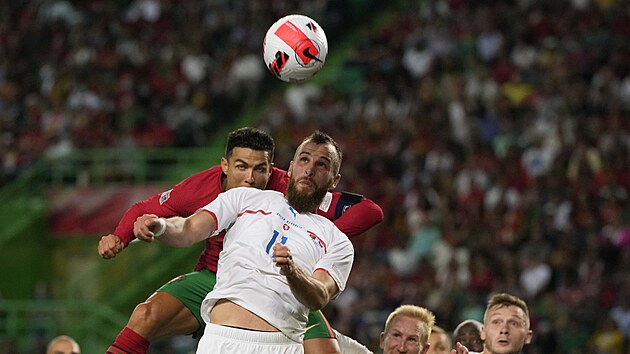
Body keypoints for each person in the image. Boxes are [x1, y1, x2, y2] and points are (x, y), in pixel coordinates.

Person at [100, 127, 384, 353]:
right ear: (224, 165)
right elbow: (184, 228)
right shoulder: (225, 194)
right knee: (146, 314)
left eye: (260, 169)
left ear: (272, 169)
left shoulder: (291, 187)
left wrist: (316, 237)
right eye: (241, 167)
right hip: (216, 281)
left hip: (286, 298)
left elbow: (370, 211)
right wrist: (124, 235)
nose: (250, 177)